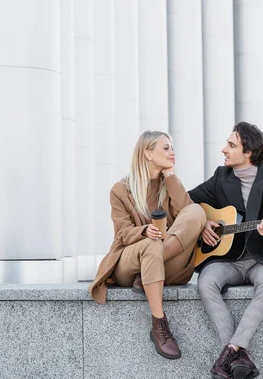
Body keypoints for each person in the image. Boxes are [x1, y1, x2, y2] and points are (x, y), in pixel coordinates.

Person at [188, 122, 263, 379]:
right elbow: (187, 201)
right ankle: (238, 355)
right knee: (206, 281)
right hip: (228, 260)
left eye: (231, 145)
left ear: (249, 152)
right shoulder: (220, 177)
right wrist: (202, 222)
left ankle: (228, 353)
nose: (223, 149)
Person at [88, 130, 206, 360]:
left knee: (196, 211)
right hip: (129, 264)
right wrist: (144, 231)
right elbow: (121, 234)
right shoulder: (121, 189)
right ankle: (159, 325)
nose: (172, 152)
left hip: (163, 264)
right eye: (166, 148)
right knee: (151, 243)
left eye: (172, 148)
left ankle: (149, 275)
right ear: (148, 153)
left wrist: (170, 176)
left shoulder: (169, 185)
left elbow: (187, 214)